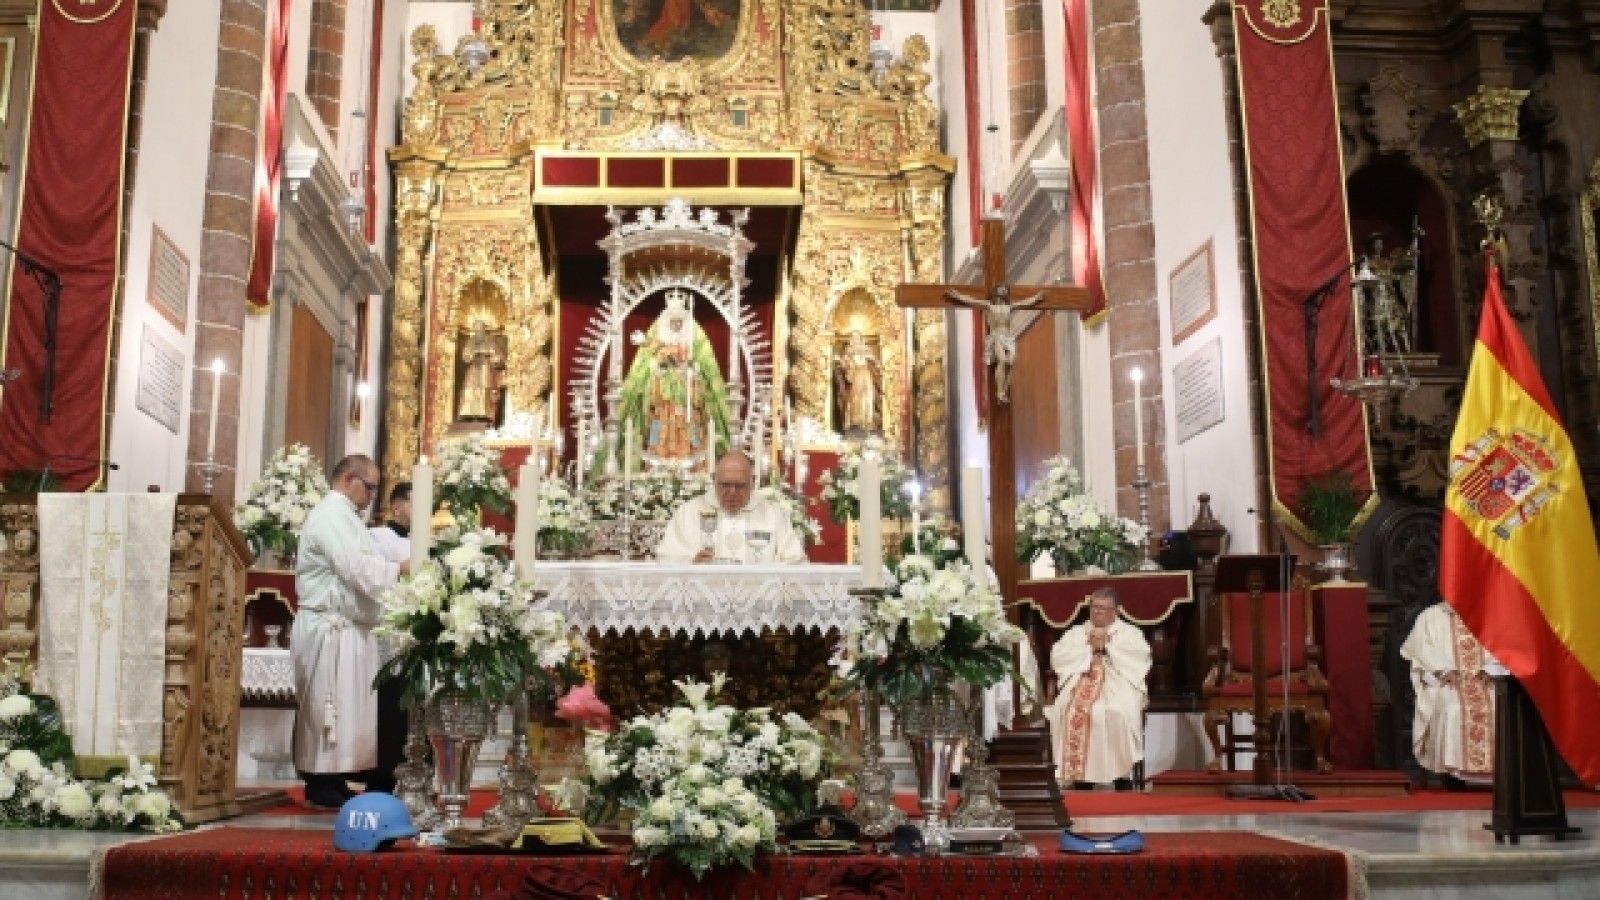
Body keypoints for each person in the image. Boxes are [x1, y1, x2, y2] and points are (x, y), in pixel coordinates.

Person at [292, 454, 408, 808]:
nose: (372, 496)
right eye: (369, 487)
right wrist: (398, 569)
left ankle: (334, 780)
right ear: (347, 479)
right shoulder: (331, 515)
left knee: (341, 710)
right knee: (327, 707)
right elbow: (355, 568)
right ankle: (320, 783)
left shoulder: (346, 516)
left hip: (345, 626)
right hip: (329, 627)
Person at [1043, 587, 1150, 790]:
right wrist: (1089, 649)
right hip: (1079, 682)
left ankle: (1122, 777)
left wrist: (1107, 648)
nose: (1096, 612)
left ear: (1115, 611)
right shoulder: (1076, 633)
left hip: (1118, 685)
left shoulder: (1130, 633)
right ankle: (1081, 777)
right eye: (1094, 606)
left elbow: (1140, 659)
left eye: (1102, 608)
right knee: (1068, 709)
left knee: (1115, 713)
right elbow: (1058, 657)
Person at [1400, 601, 1497, 787]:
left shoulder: (1490, 615)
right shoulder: (1431, 616)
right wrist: (1442, 670)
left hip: (1486, 680)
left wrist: (1491, 669)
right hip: (1447, 682)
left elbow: (1505, 647)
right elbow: (1420, 648)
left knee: (1499, 706)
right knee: (1455, 708)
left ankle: (1501, 774)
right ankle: (1453, 774)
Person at [656, 450, 807, 564]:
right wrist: (692, 563)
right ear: (714, 480)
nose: (732, 492)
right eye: (725, 485)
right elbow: (666, 557)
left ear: (753, 482)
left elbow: (795, 561)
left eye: (740, 486)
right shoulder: (688, 513)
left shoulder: (773, 514)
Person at [363, 481, 413, 795]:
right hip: (388, 631)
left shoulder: (423, 540)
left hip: (412, 633)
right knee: (388, 704)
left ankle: (411, 771)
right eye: (413, 502)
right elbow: (374, 576)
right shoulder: (377, 537)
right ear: (396, 506)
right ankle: (382, 774)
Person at [833, 329, 880, 434]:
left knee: (867, 397)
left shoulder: (866, 349)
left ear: (860, 338)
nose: (855, 339)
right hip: (856, 376)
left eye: (857, 337)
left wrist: (870, 359)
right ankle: (856, 422)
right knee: (855, 398)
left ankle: (867, 422)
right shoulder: (849, 350)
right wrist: (839, 361)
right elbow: (844, 365)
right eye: (853, 337)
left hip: (866, 375)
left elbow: (875, 362)